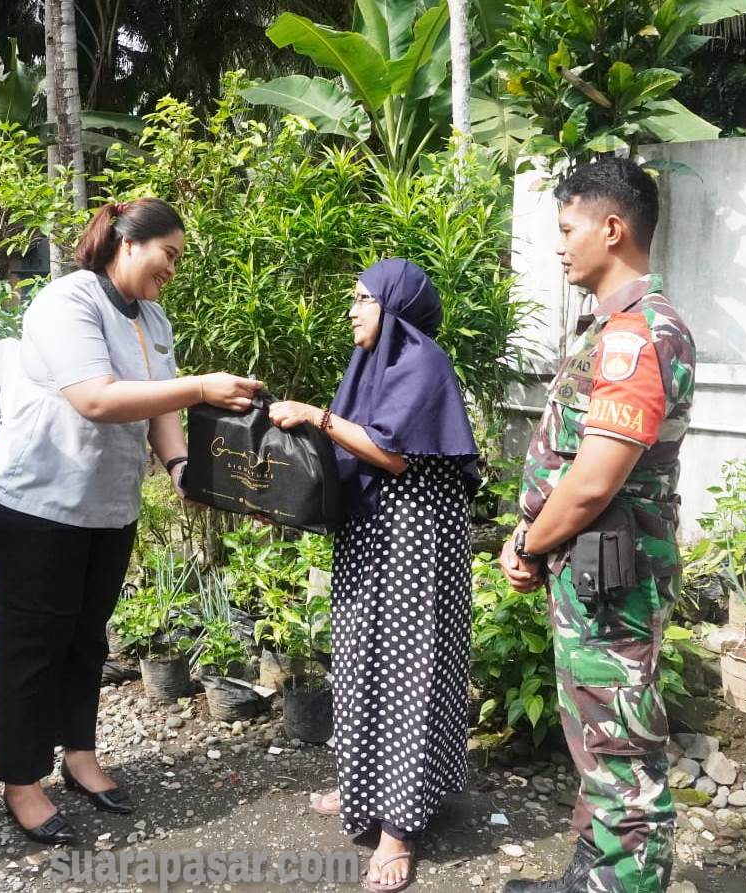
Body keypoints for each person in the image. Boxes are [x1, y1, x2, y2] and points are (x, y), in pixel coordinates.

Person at [0, 197, 262, 845]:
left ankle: (79, 755)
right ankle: (21, 781)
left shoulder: (153, 317)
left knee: (87, 639)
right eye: (170, 254)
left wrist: (181, 467)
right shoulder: (69, 301)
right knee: (33, 645)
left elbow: (158, 406)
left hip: (108, 507)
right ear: (129, 243)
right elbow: (98, 397)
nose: (174, 269)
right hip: (38, 503)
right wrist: (200, 387)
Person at [499, 158, 695, 893]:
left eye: (567, 227)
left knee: (620, 741)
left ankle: (624, 884)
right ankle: (595, 873)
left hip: (612, 575)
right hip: (589, 569)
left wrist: (527, 540)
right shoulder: (611, 326)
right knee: (596, 732)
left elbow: (592, 481)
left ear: (612, 229)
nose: (559, 244)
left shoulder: (639, 334)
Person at [269, 258, 481, 893]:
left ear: (395, 305)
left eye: (364, 298)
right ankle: (362, 785)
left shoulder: (422, 363)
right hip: (372, 540)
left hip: (414, 546)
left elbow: (388, 452)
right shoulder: (370, 365)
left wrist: (315, 414)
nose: (353, 310)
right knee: (362, 660)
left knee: (408, 672)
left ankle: (398, 829)